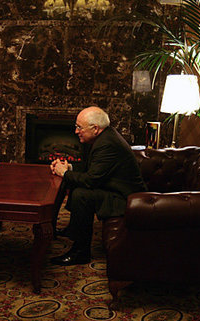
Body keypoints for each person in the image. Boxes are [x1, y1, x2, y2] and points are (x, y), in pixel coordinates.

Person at [50, 106, 147, 266]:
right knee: (74, 182)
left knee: (82, 194)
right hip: (113, 189)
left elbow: (90, 181)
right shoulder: (102, 137)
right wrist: (69, 170)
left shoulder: (107, 144)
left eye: (79, 127)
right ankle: (72, 229)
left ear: (95, 128)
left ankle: (80, 252)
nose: (76, 131)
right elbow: (93, 171)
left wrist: (65, 173)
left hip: (127, 200)